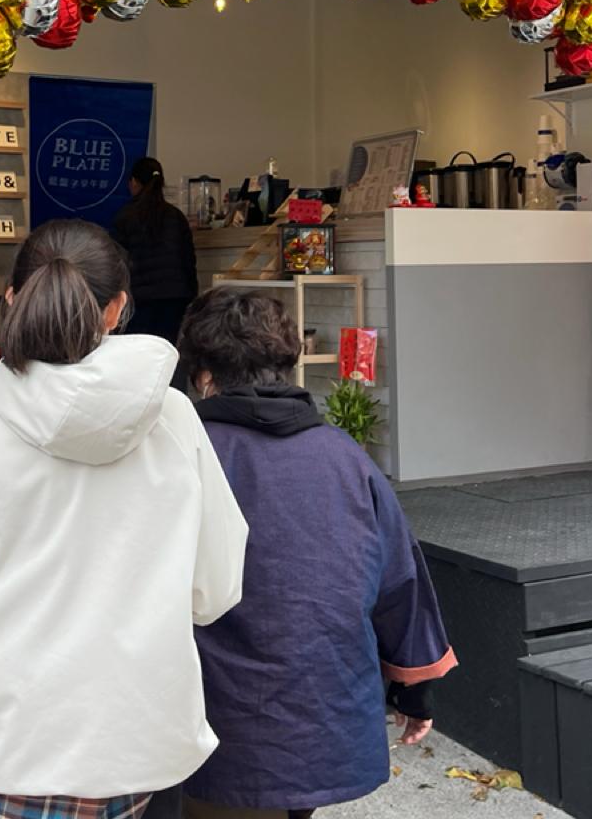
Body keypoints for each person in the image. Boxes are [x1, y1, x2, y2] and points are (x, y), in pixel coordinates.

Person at [0, 220, 249, 819]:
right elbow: (214, 591)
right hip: (136, 748)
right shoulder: (173, 419)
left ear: (12, 298)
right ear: (117, 309)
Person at [176, 289, 457, 819]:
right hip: (322, 716)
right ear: (287, 366)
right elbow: (399, 582)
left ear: (204, 376)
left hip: (211, 722)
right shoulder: (347, 459)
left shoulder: (179, 454)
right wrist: (415, 690)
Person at [112, 157, 198, 347]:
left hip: (139, 302)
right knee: (170, 353)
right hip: (176, 299)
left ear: (134, 183)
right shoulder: (176, 216)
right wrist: (192, 297)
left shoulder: (125, 217)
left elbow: (117, 264)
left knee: (139, 354)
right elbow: (189, 261)